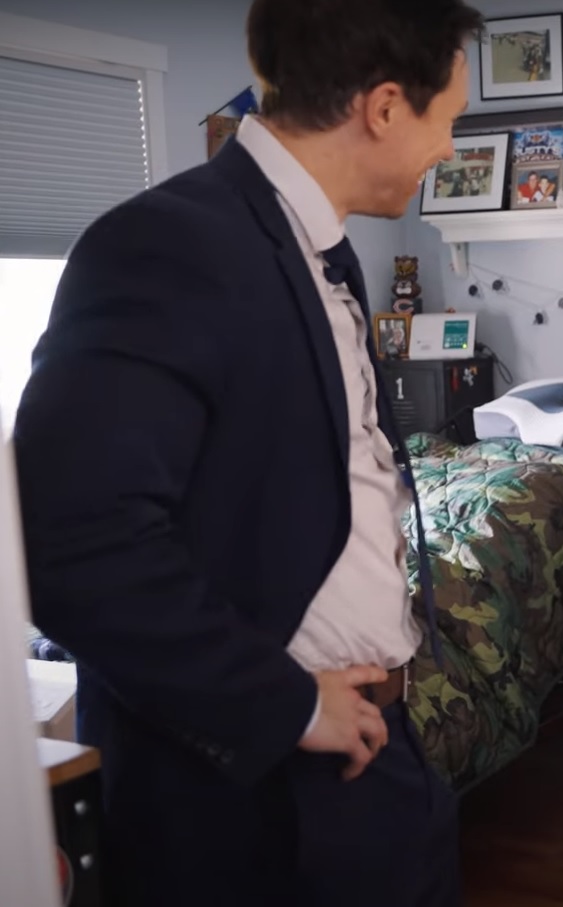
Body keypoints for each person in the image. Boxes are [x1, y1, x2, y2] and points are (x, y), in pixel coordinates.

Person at [11, 0, 483, 903]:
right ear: (384, 107)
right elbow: (70, 540)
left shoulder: (320, 250)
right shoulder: (168, 244)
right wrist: (288, 703)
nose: (447, 150)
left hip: (374, 752)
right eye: (448, 120)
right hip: (256, 791)